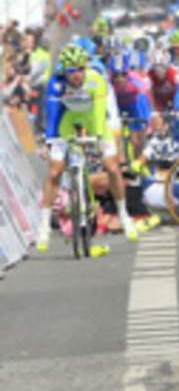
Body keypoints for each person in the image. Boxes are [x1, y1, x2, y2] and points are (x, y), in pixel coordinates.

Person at [38, 45, 138, 251]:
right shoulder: (56, 84)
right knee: (55, 171)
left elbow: (100, 113)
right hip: (68, 121)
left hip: (94, 121)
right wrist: (50, 141)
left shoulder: (96, 80)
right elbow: (54, 116)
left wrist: (99, 138)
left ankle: (123, 213)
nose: (77, 75)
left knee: (111, 167)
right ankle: (43, 225)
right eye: (72, 71)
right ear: (64, 71)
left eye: (81, 68)